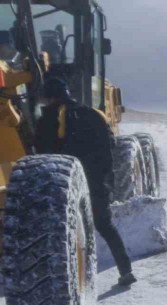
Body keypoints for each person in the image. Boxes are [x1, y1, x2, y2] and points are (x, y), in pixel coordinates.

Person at [35, 77, 137, 287]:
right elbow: (111, 144)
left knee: (72, 231)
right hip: (98, 181)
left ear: (50, 97)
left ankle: (79, 279)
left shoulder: (52, 116)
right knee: (104, 226)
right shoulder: (95, 114)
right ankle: (126, 271)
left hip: (68, 183)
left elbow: (43, 150)